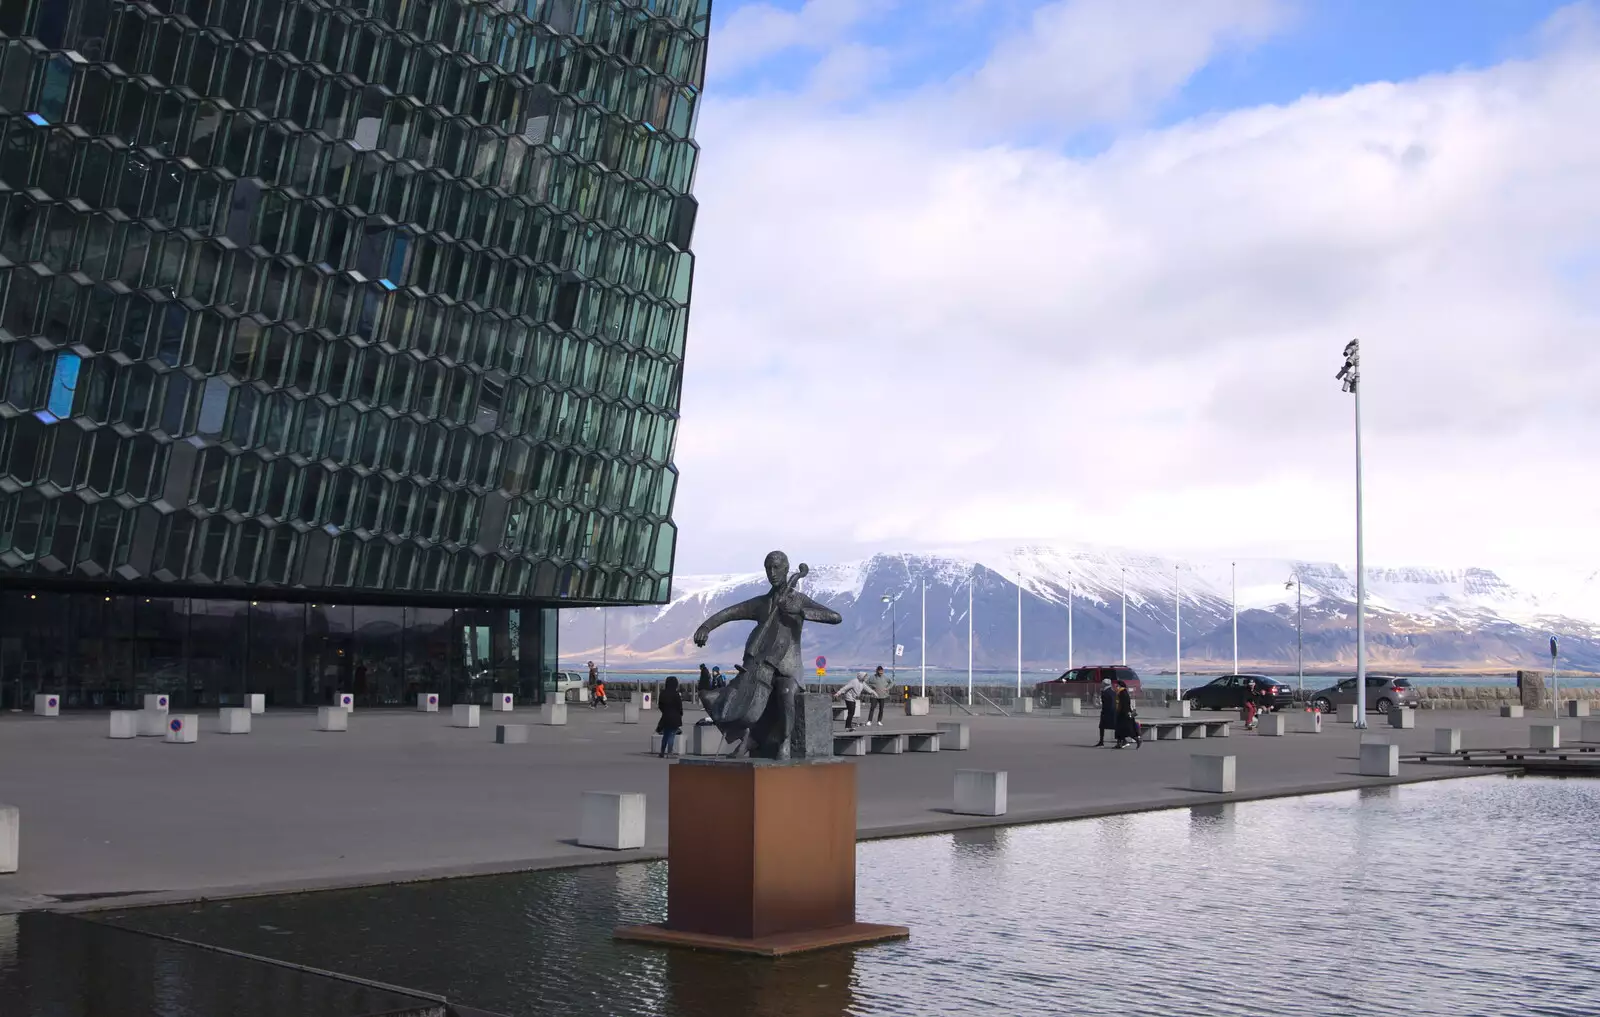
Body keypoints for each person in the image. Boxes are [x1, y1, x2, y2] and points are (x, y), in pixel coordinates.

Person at [656, 676, 683, 757]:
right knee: (672, 735)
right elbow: (679, 706)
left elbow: (660, 705)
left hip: (666, 716)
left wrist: (664, 711)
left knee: (665, 735)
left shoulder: (663, 693)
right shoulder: (676, 694)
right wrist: (680, 714)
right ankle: (670, 753)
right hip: (675, 717)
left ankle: (662, 752)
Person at [1114, 680, 1141, 748]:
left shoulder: (1122, 692)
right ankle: (1119, 743)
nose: (1115, 687)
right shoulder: (1121, 692)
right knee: (1120, 730)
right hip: (1122, 713)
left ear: (1120, 686)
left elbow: (1124, 704)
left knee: (1127, 729)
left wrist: (1121, 712)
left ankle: (1137, 740)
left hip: (1124, 714)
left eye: (1117, 685)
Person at [1095, 677, 1116, 747]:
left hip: (1107, 712)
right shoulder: (1113, 692)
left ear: (1104, 684)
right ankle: (1120, 740)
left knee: (1102, 726)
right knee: (1114, 726)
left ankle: (1101, 741)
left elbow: (1105, 704)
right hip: (1113, 711)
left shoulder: (1105, 693)